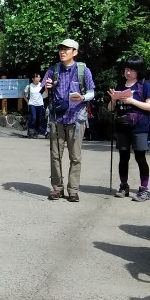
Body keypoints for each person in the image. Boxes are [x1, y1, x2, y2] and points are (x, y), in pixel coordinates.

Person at [40, 39, 95, 202]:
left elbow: (92, 91)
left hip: (77, 118)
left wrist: (83, 97)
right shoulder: (53, 70)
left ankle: (73, 190)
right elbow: (40, 93)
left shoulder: (83, 70)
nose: (62, 52)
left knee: (75, 157)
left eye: (66, 49)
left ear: (75, 52)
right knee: (55, 156)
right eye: (61, 49)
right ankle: (57, 188)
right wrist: (47, 88)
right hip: (57, 118)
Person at [108, 55, 150, 200]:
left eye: (132, 70)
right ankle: (123, 185)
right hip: (122, 126)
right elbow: (111, 108)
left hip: (140, 126)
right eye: (126, 69)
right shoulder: (120, 85)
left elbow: (149, 106)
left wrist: (132, 101)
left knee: (140, 157)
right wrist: (113, 100)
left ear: (139, 71)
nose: (128, 72)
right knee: (123, 157)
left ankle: (144, 188)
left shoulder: (144, 85)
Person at [23, 73, 47, 138]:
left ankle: (36, 131)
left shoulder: (42, 85)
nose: (38, 79)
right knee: (33, 118)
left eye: (39, 77)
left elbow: (46, 93)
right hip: (32, 104)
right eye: (36, 77)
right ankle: (30, 132)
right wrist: (27, 102)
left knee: (39, 119)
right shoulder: (29, 86)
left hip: (40, 104)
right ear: (33, 79)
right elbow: (23, 94)